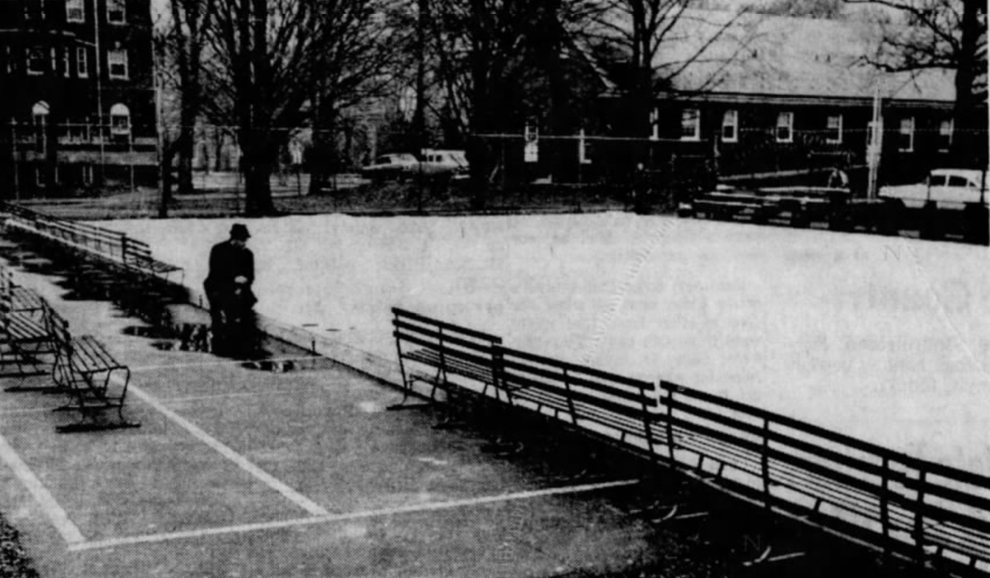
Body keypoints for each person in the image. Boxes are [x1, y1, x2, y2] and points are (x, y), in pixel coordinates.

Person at [204, 224, 258, 357]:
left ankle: (238, 336)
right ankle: (222, 340)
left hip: (239, 288)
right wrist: (234, 281)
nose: (244, 243)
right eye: (242, 240)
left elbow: (250, 276)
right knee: (223, 305)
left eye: (245, 241)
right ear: (234, 239)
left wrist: (242, 285)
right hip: (217, 286)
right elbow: (215, 274)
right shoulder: (218, 250)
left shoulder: (248, 254)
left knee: (244, 304)